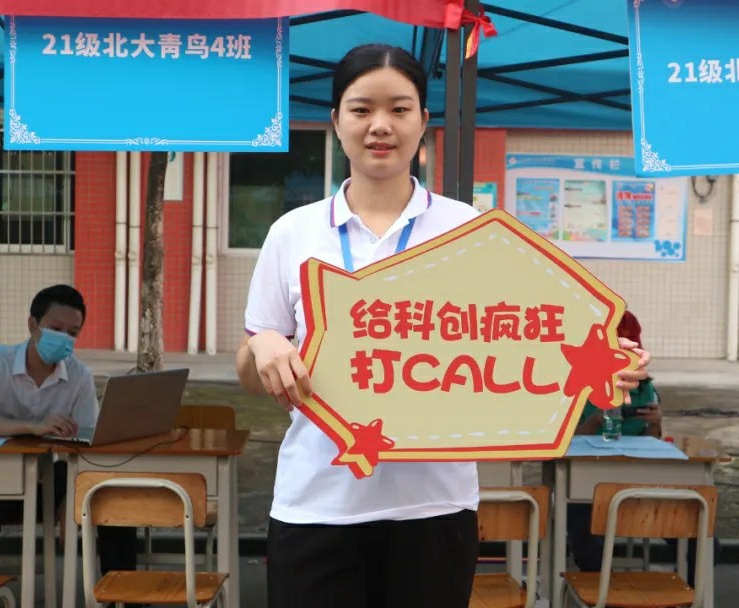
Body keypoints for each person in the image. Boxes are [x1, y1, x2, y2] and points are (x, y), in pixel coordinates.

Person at [235, 44, 652, 608]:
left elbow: (526, 337)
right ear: (335, 120)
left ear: (423, 121)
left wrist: (606, 364)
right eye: (361, 109)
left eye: (399, 109)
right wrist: (263, 343)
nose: (380, 125)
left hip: (434, 509)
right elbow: (251, 372)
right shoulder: (293, 232)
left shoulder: (471, 230)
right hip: (315, 505)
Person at [0, 285, 138, 584]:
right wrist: (34, 426)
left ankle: (122, 598)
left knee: (114, 503)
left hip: (56, 478)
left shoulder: (79, 376)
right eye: (56, 329)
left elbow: (89, 446)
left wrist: (73, 497)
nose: (64, 338)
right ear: (32, 324)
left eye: (72, 333)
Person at [566, 311, 718, 586]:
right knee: (587, 542)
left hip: (641, 482)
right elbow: (562, 443)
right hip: (587, 486)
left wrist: (655, 423)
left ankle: (687, 594)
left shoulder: (645, 388)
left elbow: (653, 441)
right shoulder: (576, 385)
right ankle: (599, 593)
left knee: (705, 541)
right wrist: (595, 421)